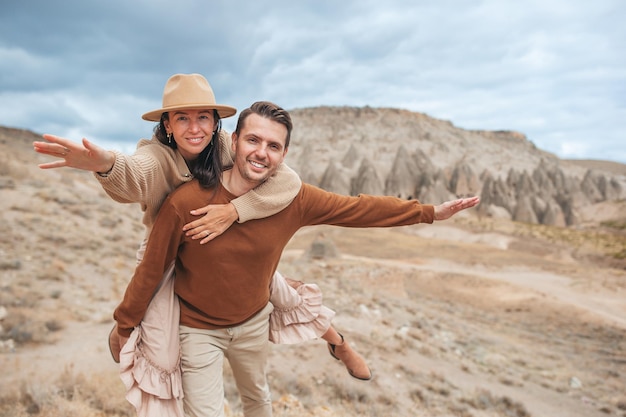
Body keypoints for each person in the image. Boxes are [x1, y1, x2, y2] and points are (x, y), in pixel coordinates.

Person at [112, 100, 480, 417]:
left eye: (273, 146)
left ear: (283, 155)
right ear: (234, 141)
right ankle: (338, 342)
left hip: (253, 322)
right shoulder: (187, 202)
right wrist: (124, 325)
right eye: (253, 140)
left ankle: (339, 343)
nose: (261, 152)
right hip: (197, 330)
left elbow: (359, 208)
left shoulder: (294, 199)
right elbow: (152, 268)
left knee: (258, 398)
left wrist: (429, 212)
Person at [33, 74, 370, 417]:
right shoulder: (157, 156)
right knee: (161, 351)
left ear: (215, 122)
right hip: (167, 253)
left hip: (224, 245)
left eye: (202, 118)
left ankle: (338, 343)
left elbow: (287, 179)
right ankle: (129, 339)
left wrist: (234, 211)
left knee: (287, 296)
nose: (194, 128)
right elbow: (135, 176)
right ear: (166, 124)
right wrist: (106, 165)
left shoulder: (226, 145)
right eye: (182, 118)